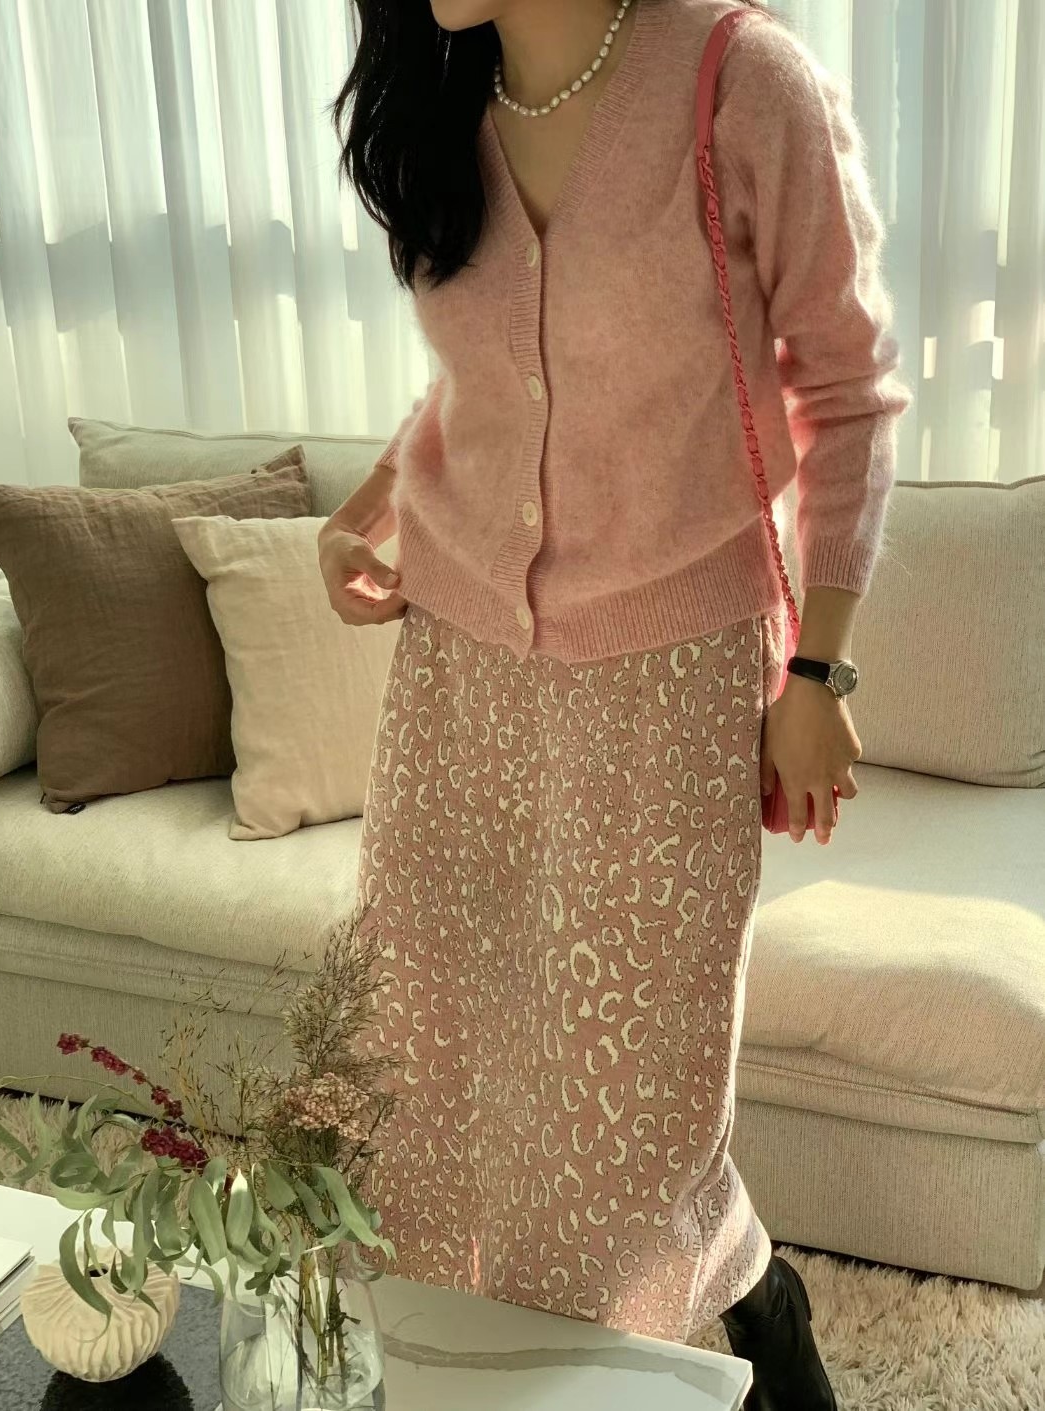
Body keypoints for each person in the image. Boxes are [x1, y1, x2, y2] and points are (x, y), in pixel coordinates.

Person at [319, 1, 910, 1407]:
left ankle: (732, 1318)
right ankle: (490, 1377)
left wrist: (816, 673)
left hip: (669, 678)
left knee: (626, 1119)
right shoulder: (445, 93)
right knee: (430, 1080)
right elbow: (478, 386)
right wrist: (368, 510)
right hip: (456, 669)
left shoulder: (738, 79)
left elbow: (847, 392)